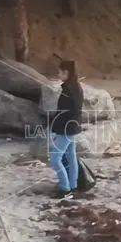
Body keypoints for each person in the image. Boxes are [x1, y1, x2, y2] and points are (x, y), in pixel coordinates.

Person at [48, 60, 83, 199]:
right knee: (71, 157)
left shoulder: (68, 90)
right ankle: (72, 186)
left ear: (66, 73)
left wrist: (55, 127)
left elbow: (63, 112)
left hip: (66, 129)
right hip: (73, 128)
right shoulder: (76, 87)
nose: (58, 74)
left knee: (55, 159)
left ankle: (65, 188)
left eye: (60, 72)